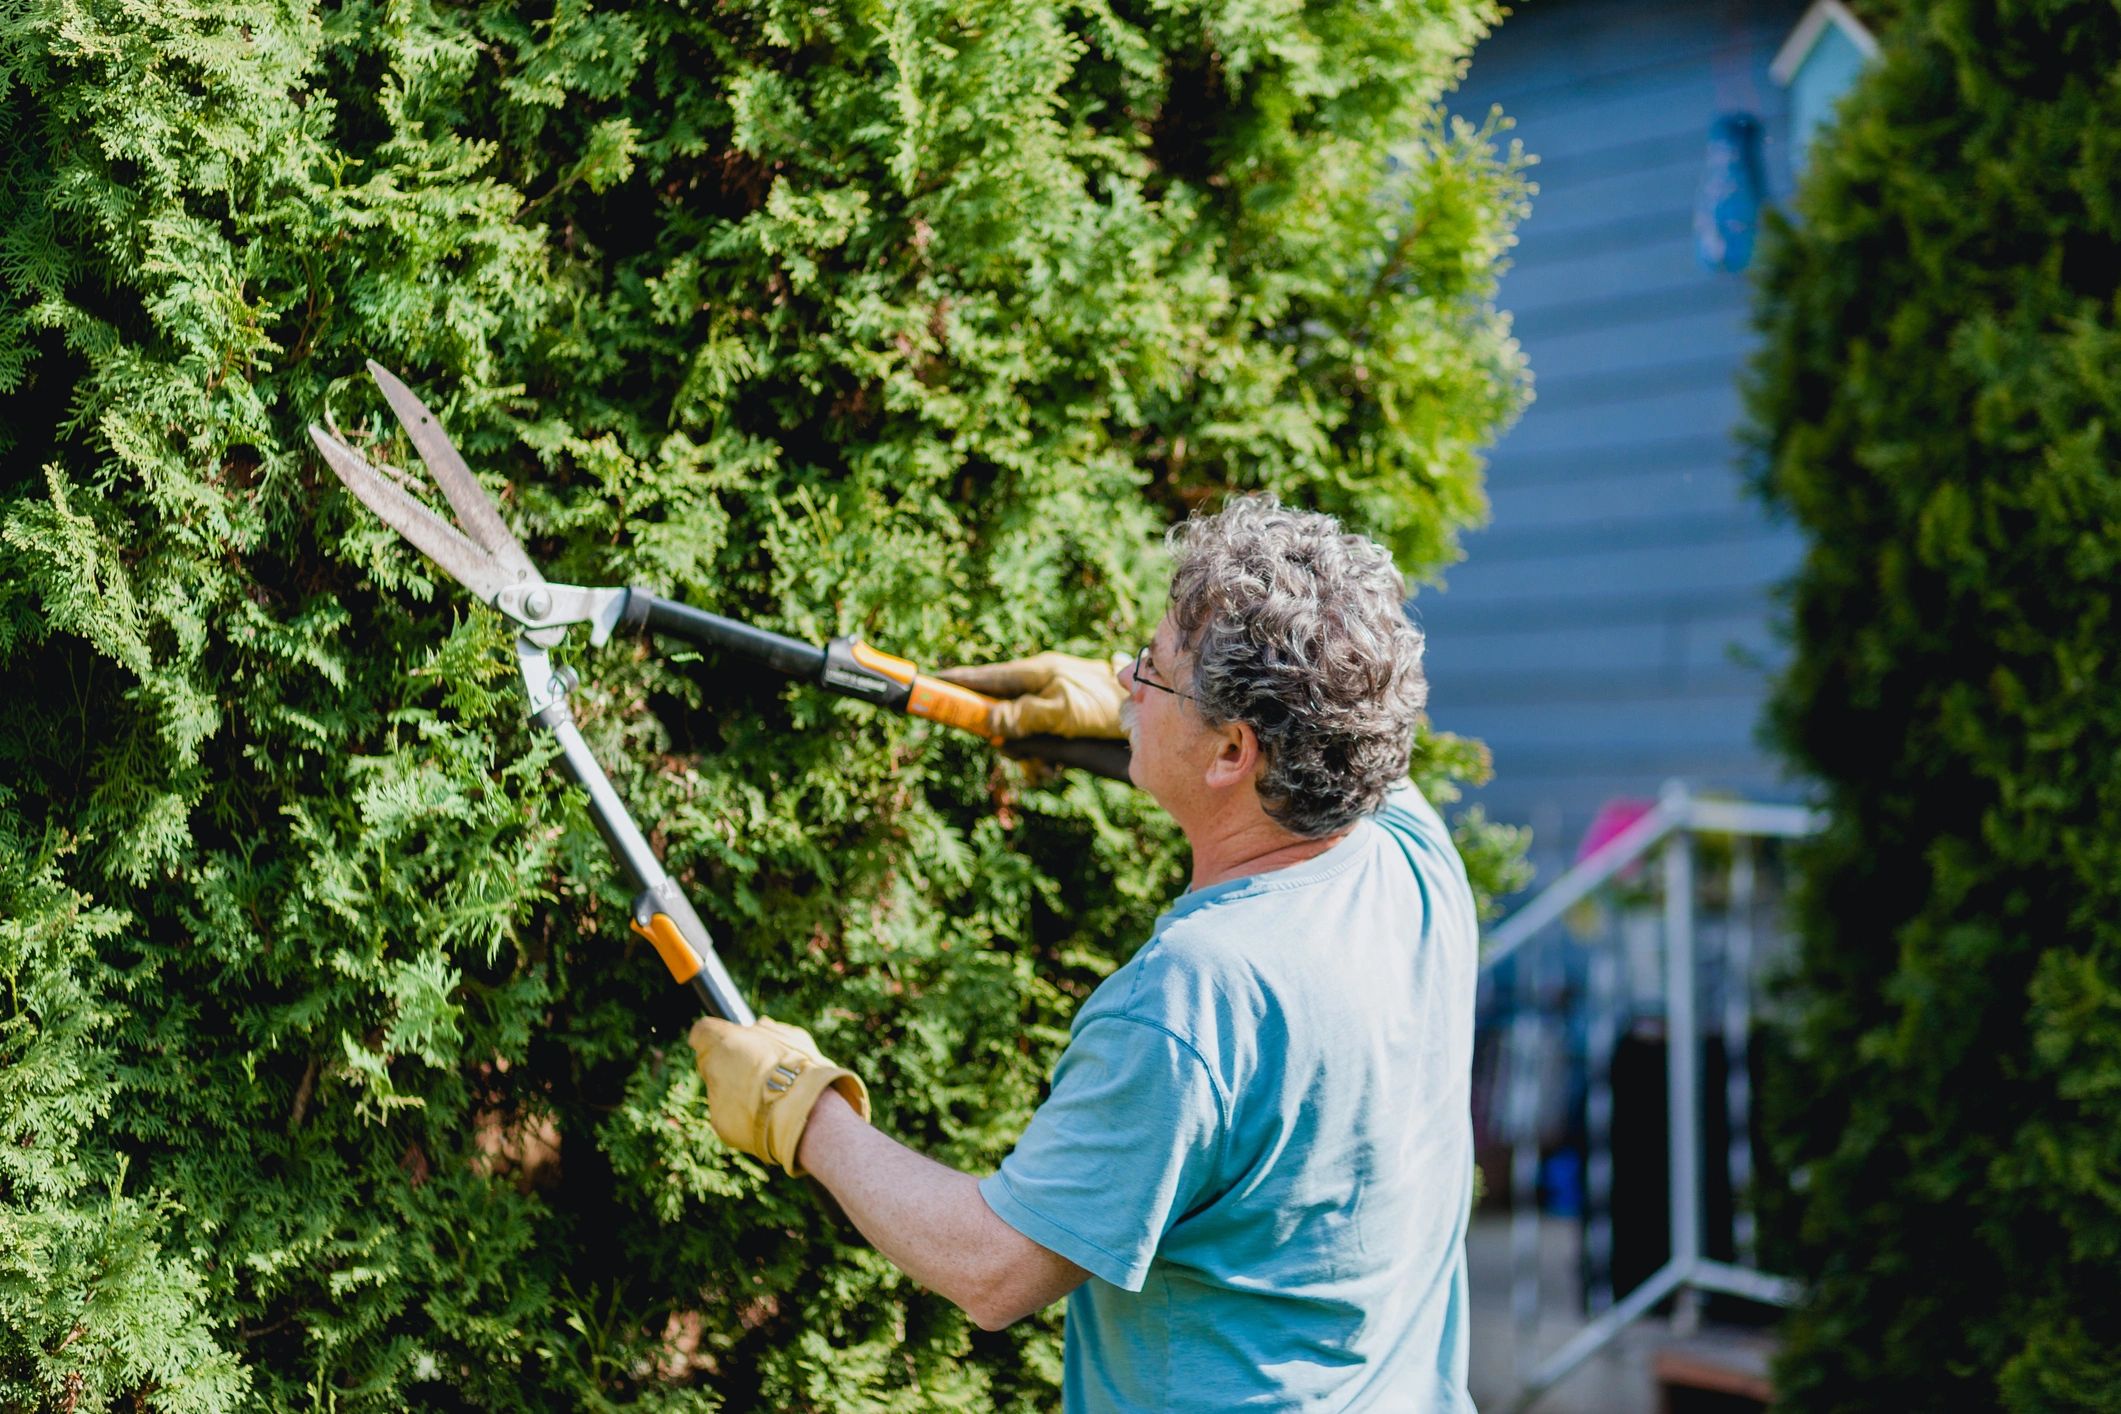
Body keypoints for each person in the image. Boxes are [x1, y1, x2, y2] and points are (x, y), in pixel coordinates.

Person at [689, 495, 1480, 1412]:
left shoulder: (1200, 994)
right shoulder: (1413, 857)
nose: (1121, 674)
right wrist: (1134, 712)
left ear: (1233, 750)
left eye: (1148, 669)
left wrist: (804, 1112)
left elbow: (993, 1268)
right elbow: (1343, 721)